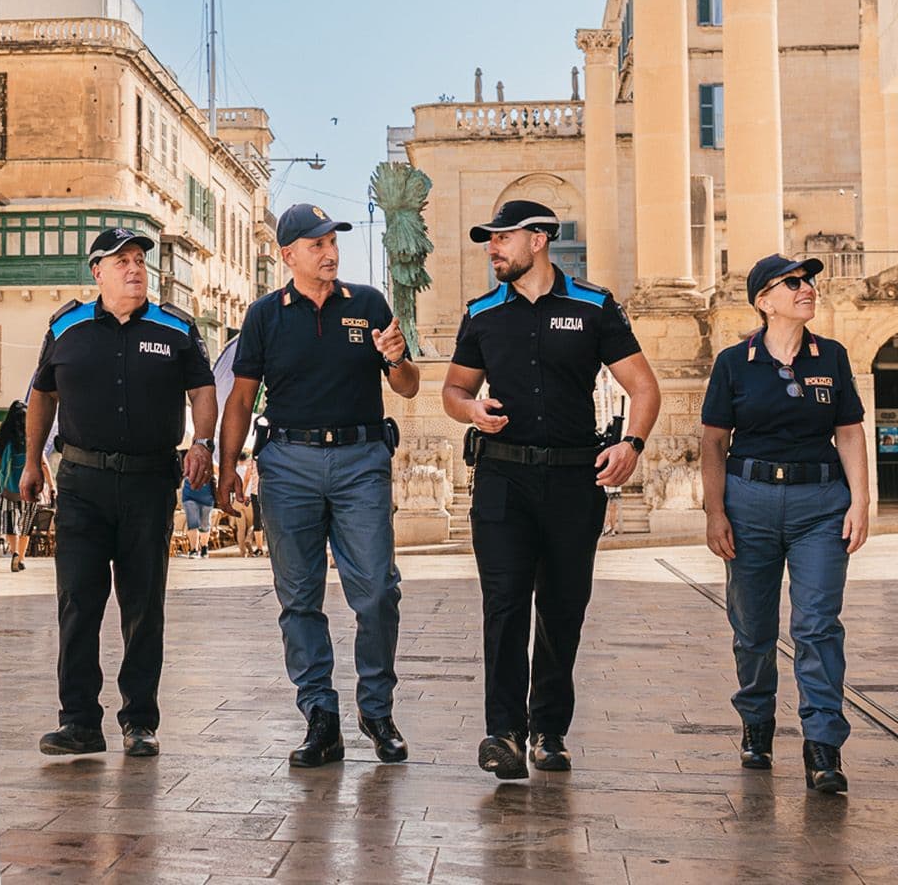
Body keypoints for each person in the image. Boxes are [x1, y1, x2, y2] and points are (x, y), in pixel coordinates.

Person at [441, 200, 660, 781]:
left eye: (501, 238)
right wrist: (471, 410)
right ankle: (504, 733)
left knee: (563, 609)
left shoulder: (593, 306)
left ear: (537, 239)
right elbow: (453, 391)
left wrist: (631, 445)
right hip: (502, 480)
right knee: (505, 605)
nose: (492, 247)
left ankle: (549, 731)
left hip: (572, 480)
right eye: (489, 239)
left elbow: (642, 386)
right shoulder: (482, 313)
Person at [216, 203, 419, 768]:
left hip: (360, 461)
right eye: (316, 245)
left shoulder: (370, 305)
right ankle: (320, 716)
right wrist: (228, 466)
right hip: (288, 464)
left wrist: (397, 359)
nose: (329, 253)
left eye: (333, 242)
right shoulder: (263, 316)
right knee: (299, 597)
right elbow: (240, 398)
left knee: (378, 590)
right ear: (288, 256)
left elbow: (406, 386)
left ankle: (376, 711)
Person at [20, 226, 216, 759]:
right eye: (120, 260)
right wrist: (33, 459)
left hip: (150, 481)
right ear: (97, 272)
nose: (134, 269)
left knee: (142, 604)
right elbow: (43, 393)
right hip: (82, 482)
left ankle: (139, 721)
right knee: (78, 602)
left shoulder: (175, 328)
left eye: (139, 260)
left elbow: (202, 389)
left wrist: (202, 442)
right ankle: (79, 721)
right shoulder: (66, 325)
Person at [701, 254, 869, 794]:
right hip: (748, 499)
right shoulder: (733, 362)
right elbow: (712, 442)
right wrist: (714, 511)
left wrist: (860, 501)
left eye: (809, 281)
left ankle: (823, 746)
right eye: (792, 283)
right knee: (752, 628)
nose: (806, 289)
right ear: (764, 301)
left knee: (817, 625)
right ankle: (757, 721)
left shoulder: (833, 357)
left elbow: (848, 432)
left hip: (819, 503)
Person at [0, 400, 42, 571]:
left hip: (7, 488)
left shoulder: (4, 436)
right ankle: (21, 557)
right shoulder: (32, 436)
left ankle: (14, 554)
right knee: (26, 523)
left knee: (11, 523)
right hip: (29, 487)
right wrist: (50, 483)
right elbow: (43, 462)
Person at [180, 474, 214, 558]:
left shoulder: (212, 462)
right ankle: (193, 550)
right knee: (192, 522)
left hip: (207, 497)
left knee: (205, 525)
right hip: (189, 495)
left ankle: (204, 547)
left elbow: (219, 472)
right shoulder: (186, 461)